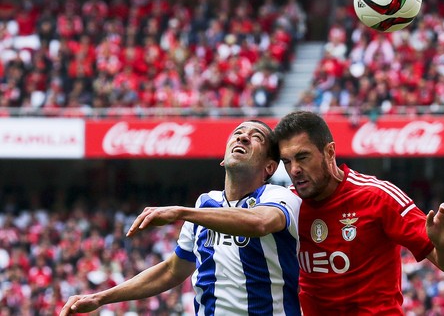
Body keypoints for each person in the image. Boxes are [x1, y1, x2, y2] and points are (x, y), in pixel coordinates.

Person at [60, 120, 302, 316]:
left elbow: (259, 223)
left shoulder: (280, 196)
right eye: (238, 133)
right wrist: (100, 298)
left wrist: (180, 212)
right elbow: (171, 271)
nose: (242, 137)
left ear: (270, 168)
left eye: (256, 136)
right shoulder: (206, 204)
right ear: (224, 157)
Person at [273, 111, 444, 315]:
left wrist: (443, 246)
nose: (294, 169)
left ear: (330, 152)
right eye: (286, 161)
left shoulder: (378, 196)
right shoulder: (287, 205)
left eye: (302, 157)